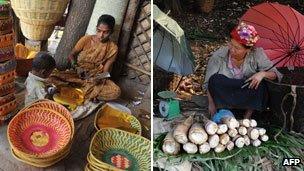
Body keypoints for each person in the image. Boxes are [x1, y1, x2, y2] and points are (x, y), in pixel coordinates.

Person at [204, 21, 283, 119]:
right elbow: (208, 83)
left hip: (246, 93)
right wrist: (211, 104)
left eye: (237, 48)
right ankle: (225, 112)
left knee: (261, 85)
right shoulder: (219, 55)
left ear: (248, 50)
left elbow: (276, 74)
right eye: (231, 44)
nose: (232, 49)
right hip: (226, 95)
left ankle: (247, 117)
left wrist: (262, 74)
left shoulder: (257, 54)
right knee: (215, 79)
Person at [50, 14, 121, 101]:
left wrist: (97, 79)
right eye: (99, 31)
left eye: (105, 32)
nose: (101, 35)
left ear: (111, 32)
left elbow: (106, 72)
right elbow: (71, 55)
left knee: (115, 92)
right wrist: (76, 67)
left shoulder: (113, 48)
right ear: (96, 28)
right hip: (77, 73)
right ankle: (85, 92)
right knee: (51, 77)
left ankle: (75, 90)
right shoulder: (86, 39)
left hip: (94, 78)